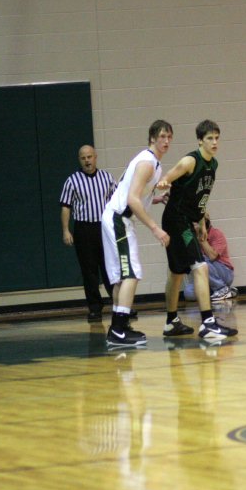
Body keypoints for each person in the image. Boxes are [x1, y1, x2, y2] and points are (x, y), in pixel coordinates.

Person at [157, 120, 237, 341]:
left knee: (176, 272)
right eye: (210, 138)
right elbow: (166, 179)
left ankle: (171, 322)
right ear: (200, 140)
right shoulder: (190, 161)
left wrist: (201, 221)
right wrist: (163, 184)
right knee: (200, 266)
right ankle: (208, 324)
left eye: (217, 138)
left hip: (187, 220)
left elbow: (202, 197)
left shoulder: (214, 165)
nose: (214, 142)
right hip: (176, 220)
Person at [101, 120, 171, 348]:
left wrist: (156, 198)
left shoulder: (155, 164)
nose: (166, 141)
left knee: (123, 276)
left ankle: (119, 327)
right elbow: (132, 199)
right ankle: (118, 330)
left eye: (170, 137)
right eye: (162, 136)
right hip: (118, 219)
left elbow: (136, 194)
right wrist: (155, 228)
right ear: (152, 138)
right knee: (132, 273)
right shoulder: (147, 163)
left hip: (118, 218)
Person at [60, 144, 117, 322]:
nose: (87, 161)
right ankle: (95, 308)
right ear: (80, 160)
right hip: (84, 229)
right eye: (83, 158)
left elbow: (116, 202)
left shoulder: (107, 178)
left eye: (89, 157)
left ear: (95, 157)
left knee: (109, 268)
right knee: (89, 270)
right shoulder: (72, 181)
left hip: (103, 227)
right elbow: (65, 207)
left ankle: (119, 305)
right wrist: (66, 230)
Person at [182, 214, 237, 302]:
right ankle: (225, 291)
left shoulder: (216, 233)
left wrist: (201, 239)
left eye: (195, 223)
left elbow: (212, 256)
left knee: (201, 259)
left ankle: (221, 289)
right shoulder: (190, 237)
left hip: (224, 272)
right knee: (189, 293)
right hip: (205, 277)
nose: (193, 226)